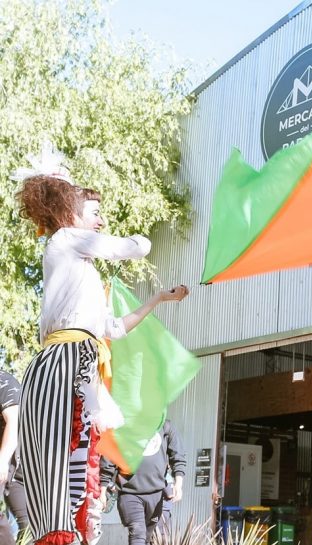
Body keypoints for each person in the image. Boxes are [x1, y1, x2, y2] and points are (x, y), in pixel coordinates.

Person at [14, 146, 190, 545]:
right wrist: (140, 239)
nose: (101, 219)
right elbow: (135, 247)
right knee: (60, 483)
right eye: (94, 211)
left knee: (74, 479)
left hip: (77, 366)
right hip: (65, 365)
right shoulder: (66, 239)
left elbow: (111, 327)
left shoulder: (80, 269)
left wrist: (158, 299)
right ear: (70, 211)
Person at [99, 420, 186, 545]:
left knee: (149, 538)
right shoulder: (122, 427)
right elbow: (108, 459)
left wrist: (178, 483)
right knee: (138, 533)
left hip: (156, 494)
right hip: (130, 493)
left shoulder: (165, 426)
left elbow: (178, 456)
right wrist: (102, 489)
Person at [0, 370, 24, 545]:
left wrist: (2, 459)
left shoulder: (3, 380)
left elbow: (14, 419)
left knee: (29, 525)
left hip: (16, 463)